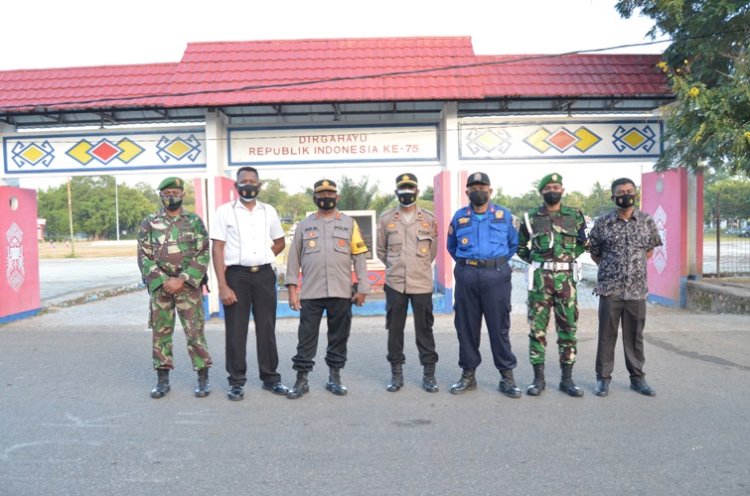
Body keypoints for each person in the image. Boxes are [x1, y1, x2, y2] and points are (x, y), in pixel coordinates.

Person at [285, 179, 371, 399]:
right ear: (315, 198)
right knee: (306, 337)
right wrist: (292, 290)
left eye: (330, 194)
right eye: (321, 194)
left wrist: (362, 287)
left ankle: (334, 377)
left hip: (341, 292)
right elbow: (293, 259)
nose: (326, 198)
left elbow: (359, 256)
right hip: (312, 293)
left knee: (339, 336)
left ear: (337, 197)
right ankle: (301, 380)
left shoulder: (349, 223)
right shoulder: (304, 225)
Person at [211, 166, 289, 401]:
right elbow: (217, 248)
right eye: (243, 181)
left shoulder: (269, 211)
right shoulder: (224, 212)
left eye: (252, 181)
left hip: (264, 275)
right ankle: (236, 381)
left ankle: (270, 378)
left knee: (267, 328)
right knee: (236, 330)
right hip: (236, 277)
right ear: (236, 186)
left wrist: (264, 256)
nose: (248, 184)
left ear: (259, 185)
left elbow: (279, 241)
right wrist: (223, 286)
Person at [447, 172, 521, 398]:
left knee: (499, 327)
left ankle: (507, 377)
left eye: (482, 186)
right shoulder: (459, 217)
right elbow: (452, 246)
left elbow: (513, 244)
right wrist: (469, 265)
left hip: (496, 275)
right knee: (466, 327)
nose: (478, 190)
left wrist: (493, 263)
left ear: (490, 190)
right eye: (473, 187)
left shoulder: (504, 215)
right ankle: (468, 375)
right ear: (467, 191)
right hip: (467, 274)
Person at [137, 176, 212, 399]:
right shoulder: (149, 222)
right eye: (167, 193)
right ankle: (162, 380)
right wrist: (163, 280)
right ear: (161, 195)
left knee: (195, 333)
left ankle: (203, 378)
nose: (171, 197)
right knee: (161, 334)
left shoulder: (194, 221)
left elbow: (203, 252)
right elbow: (143, 255)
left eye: (175, 193)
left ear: (183, 195)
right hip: (161, 289)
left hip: (188, 287)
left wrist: (183, 279)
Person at [588, 177, 662, 397]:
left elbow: (649, 250)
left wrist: (633, 268)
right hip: (610, 289)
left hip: (637, 290)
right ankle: (603, 379)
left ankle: (637, 378)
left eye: (629, 191)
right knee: (606, 335)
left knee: (635, 335)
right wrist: (613, 269)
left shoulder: (646, 221)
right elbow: (595, 252)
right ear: (613, 197)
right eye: (620, 192)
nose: (625, 195)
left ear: (635, 194)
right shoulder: (603, 223)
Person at [517, 173, 587, 398]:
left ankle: (567, 380)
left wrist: (566, 258)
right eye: (548, 188)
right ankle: (538, 380)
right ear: (541, 192)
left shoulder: (575, 216)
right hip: (540, 282)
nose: (552, 190)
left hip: (567, 282)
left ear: (562, 190)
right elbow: (520, 247)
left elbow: (583, 243)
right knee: (537, 331)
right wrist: (539, 262)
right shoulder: (530, 218)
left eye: (556, 187)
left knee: (568, 330)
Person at [376, 173, 439, 393]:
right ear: (396, 192)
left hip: (421, 284)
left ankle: (429, 375)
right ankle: (396, 374)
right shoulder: (386, 220)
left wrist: (416, 267)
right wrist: (397, 266)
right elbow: (382, 251)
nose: (406, 192)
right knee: (395, 330)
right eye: (402, 188)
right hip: (395, 284)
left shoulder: (429, 220)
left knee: (425, 330)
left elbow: (432, 251)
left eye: (410, 188)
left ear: (417, 192)